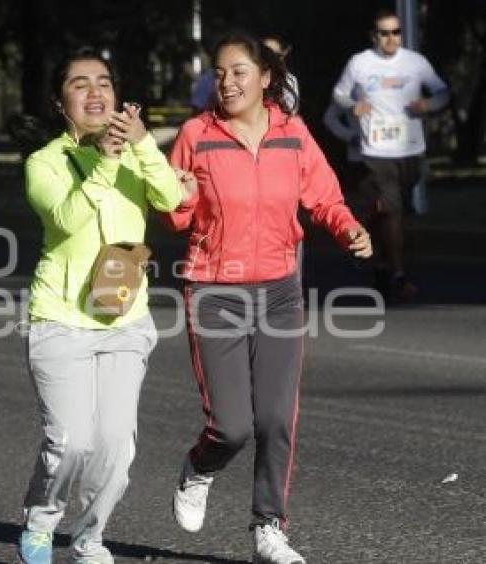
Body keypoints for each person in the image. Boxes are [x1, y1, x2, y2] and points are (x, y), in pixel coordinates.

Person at [164, 34, 372, 564]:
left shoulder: (293, 134)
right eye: (219, 72)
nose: (226, 82)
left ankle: (269, 528)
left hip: (278, 289)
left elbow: (324, 197)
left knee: (277, 418)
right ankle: (200, 468)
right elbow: (175, 216)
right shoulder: (196, 134)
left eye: (238, 72)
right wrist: (181, 194)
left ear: (266, 79)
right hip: (215, 289)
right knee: (232, 424)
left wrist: (347, 227)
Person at [16, 47, 186, 564]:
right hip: (60, 320)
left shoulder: (135, 151)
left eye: (104, 83)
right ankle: (43, 520)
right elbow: (66, 218)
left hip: (123, 316)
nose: (95, 92)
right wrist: (108, 162)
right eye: (80, 83)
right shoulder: (43, 162)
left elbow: (172, 199)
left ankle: (90, 539)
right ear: (60, 101)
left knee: (116, 447)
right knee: (70, 442)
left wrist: (140, 146)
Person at [332, 8, 449, 301]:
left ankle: (377, 250)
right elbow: (339, 94)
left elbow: (442, 92)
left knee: (398, 211)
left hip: (411, 148)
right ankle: (398, 274)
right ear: (374, 36)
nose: (391, 38)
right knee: (394, 210)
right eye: (384, 33)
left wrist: (429, 105)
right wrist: (351, 106)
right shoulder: (360, 63)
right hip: (376, 150)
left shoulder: (415, 63)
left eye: (396, 32)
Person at [261, 35, 300, 114]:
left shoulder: (289, 80)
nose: (268, 58)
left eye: (273, 54)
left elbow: (291, 111)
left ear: (283, 55)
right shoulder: (249, 75)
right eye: (264, 52)